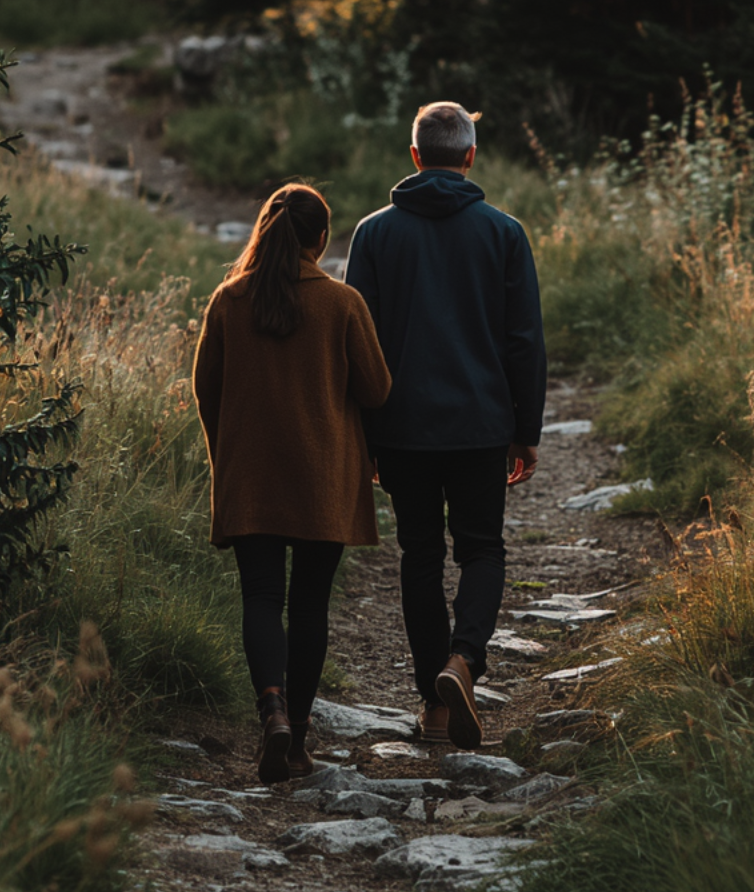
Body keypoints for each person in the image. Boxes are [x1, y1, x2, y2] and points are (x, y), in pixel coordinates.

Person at [344, 101, 547, 751]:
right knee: (483, 549)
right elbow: (523, 341)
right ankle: (463, 660)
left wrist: (367, 434)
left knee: (420, 558)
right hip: (483, 425)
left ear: (414, 157)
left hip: (403, 430)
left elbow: (360, 347)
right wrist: (528, 428)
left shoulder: (373, 235)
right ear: (469, 157)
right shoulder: (503, 232)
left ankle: (433, 709)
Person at [193, 184, 392, 783]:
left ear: (264, 230)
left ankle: (272, 712)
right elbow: (378, 390)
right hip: (321, 479)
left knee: (260, 598)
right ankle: (298, 739)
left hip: (251, 475)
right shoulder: (343, 303)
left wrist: (225, 455)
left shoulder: (229, 300)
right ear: (322, 239)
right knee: (308, 604)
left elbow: (206, 389)